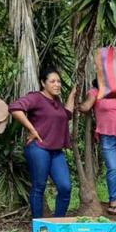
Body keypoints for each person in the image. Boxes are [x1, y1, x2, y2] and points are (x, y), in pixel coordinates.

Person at [9, 68, 76, 218]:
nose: (57, 84)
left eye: (58, 81)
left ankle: (58, 223)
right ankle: (38, 227)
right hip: (39, 149)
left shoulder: (57, 101)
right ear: (43, 83)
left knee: (65, 187)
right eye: (52, 81)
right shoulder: (36, 98)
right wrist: (32, 129)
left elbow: (67, 115)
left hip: (56, 151)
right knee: (39, 187)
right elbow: (14, 108)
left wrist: (72, 95)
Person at [78, 79, 116, 215]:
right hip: (107, 135)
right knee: (113, 168)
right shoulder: (95, 92)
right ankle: (113, 200)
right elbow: (86, 107)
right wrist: (75, 101)